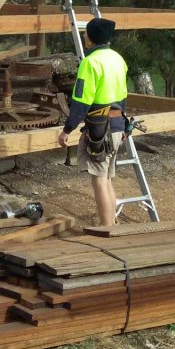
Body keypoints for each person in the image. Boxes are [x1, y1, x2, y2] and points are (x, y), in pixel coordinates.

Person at [58, 17, 128, 227]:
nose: (84, 37)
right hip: (116, 126)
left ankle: (107, 231)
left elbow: (81, 101)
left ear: (90, 37)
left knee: (98, 180)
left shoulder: (90, 63)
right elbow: (123, 95)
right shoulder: (118, 59)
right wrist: (123, 127)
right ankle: (112, 223)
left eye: (85, 33)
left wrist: (67, 129)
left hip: (99, 129)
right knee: (106, 178)